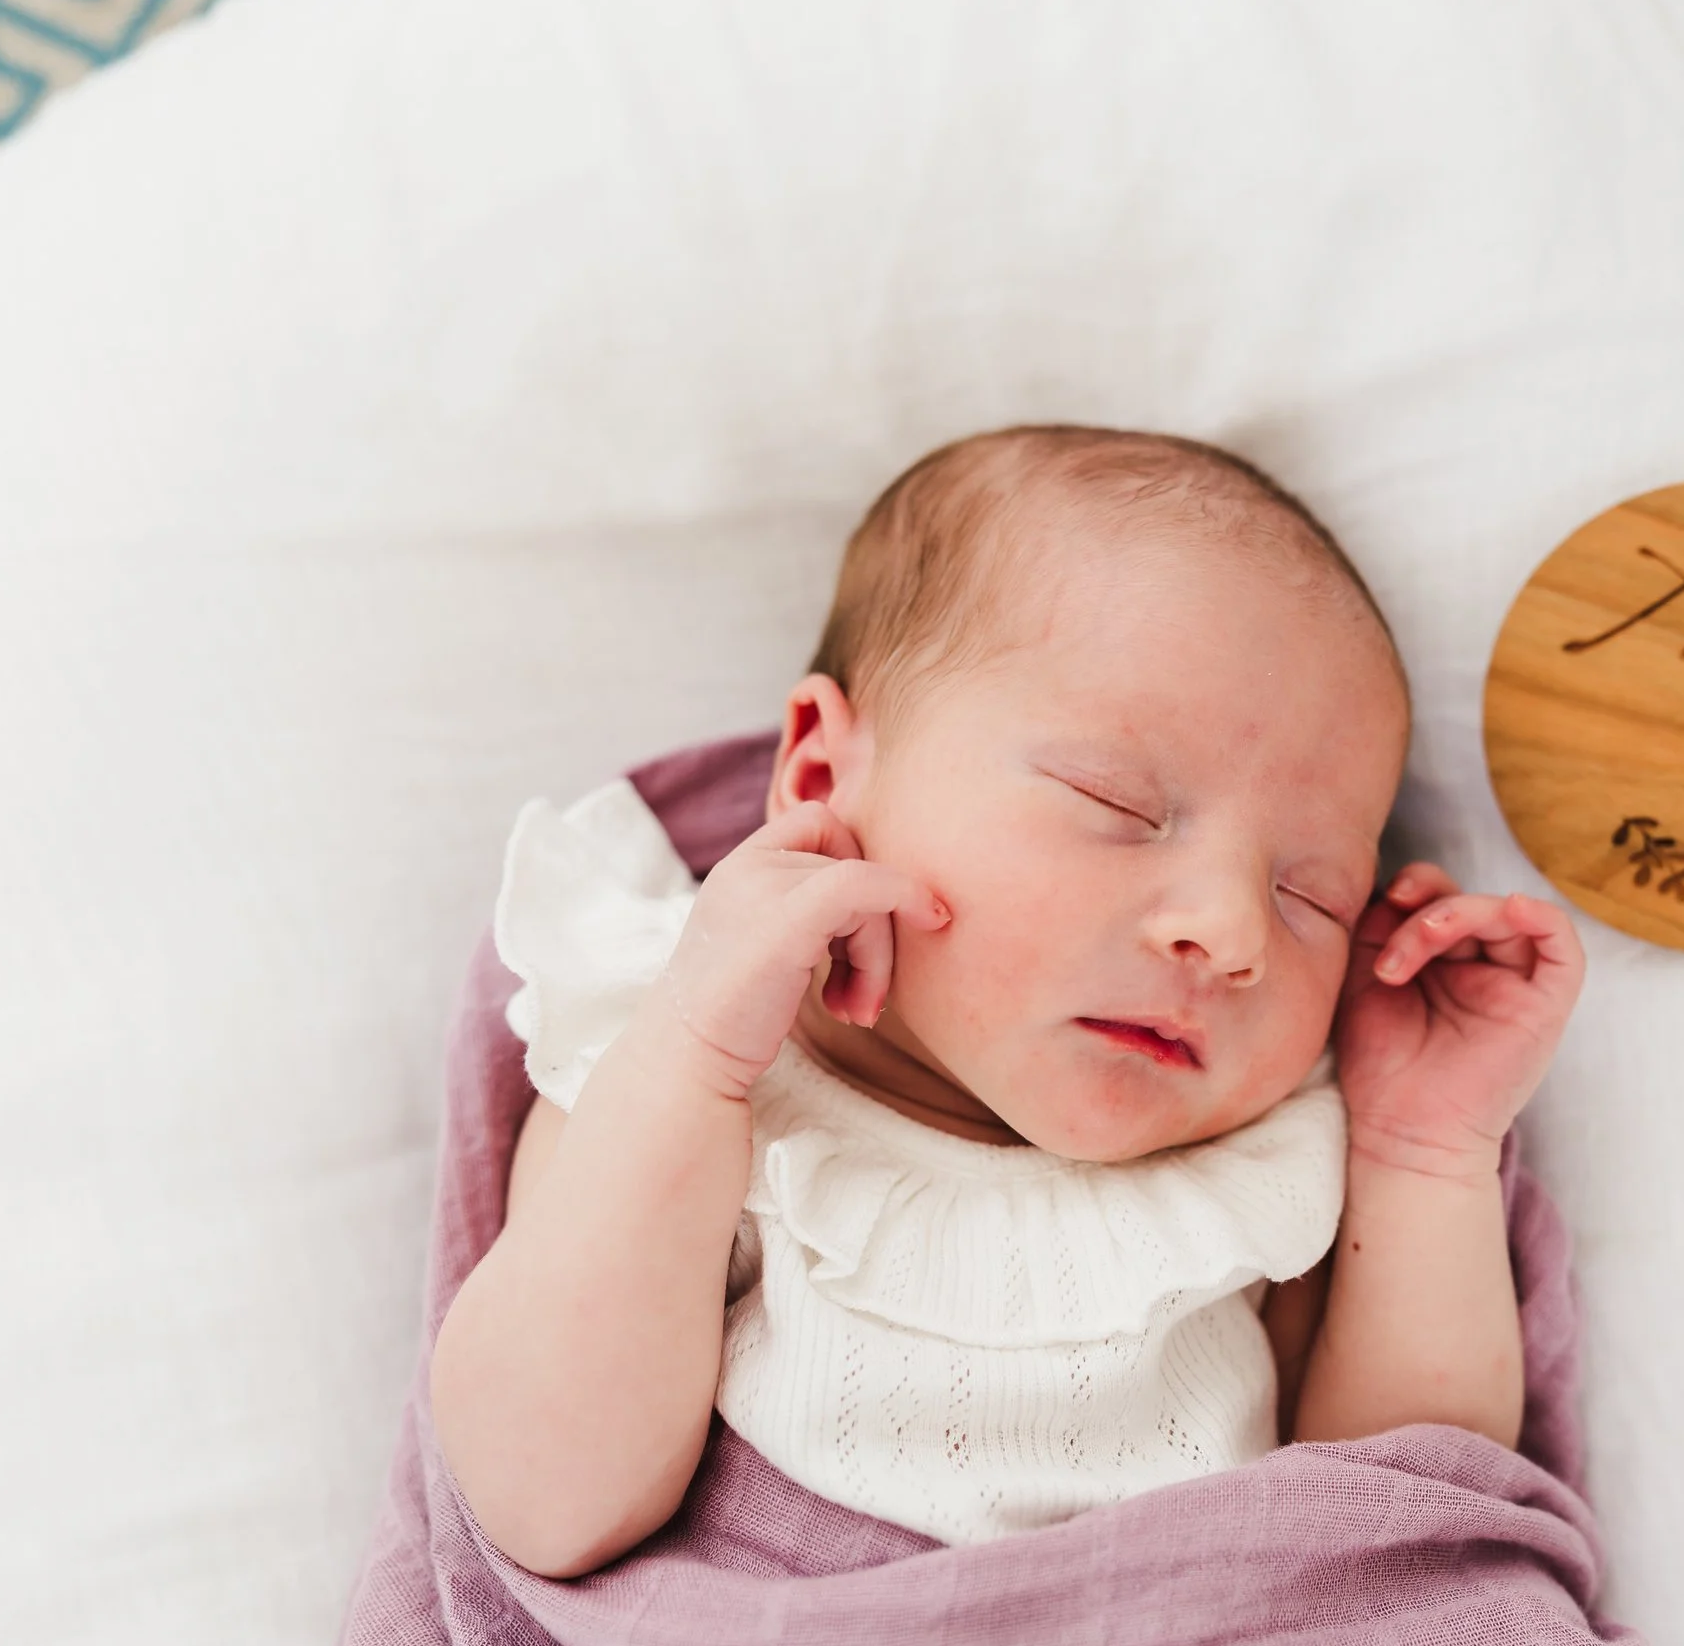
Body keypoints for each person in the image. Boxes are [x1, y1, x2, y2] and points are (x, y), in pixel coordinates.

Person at [429, 425, 1586, 1577]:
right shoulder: (677, 1051)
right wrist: (691, 1055)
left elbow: (1400, 1539)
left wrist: (1424, 1149)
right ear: (827, 777)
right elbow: (546, 1499)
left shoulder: (1269, 1165)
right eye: (1119, 802)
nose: (1230, 933)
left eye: (1311, 895)